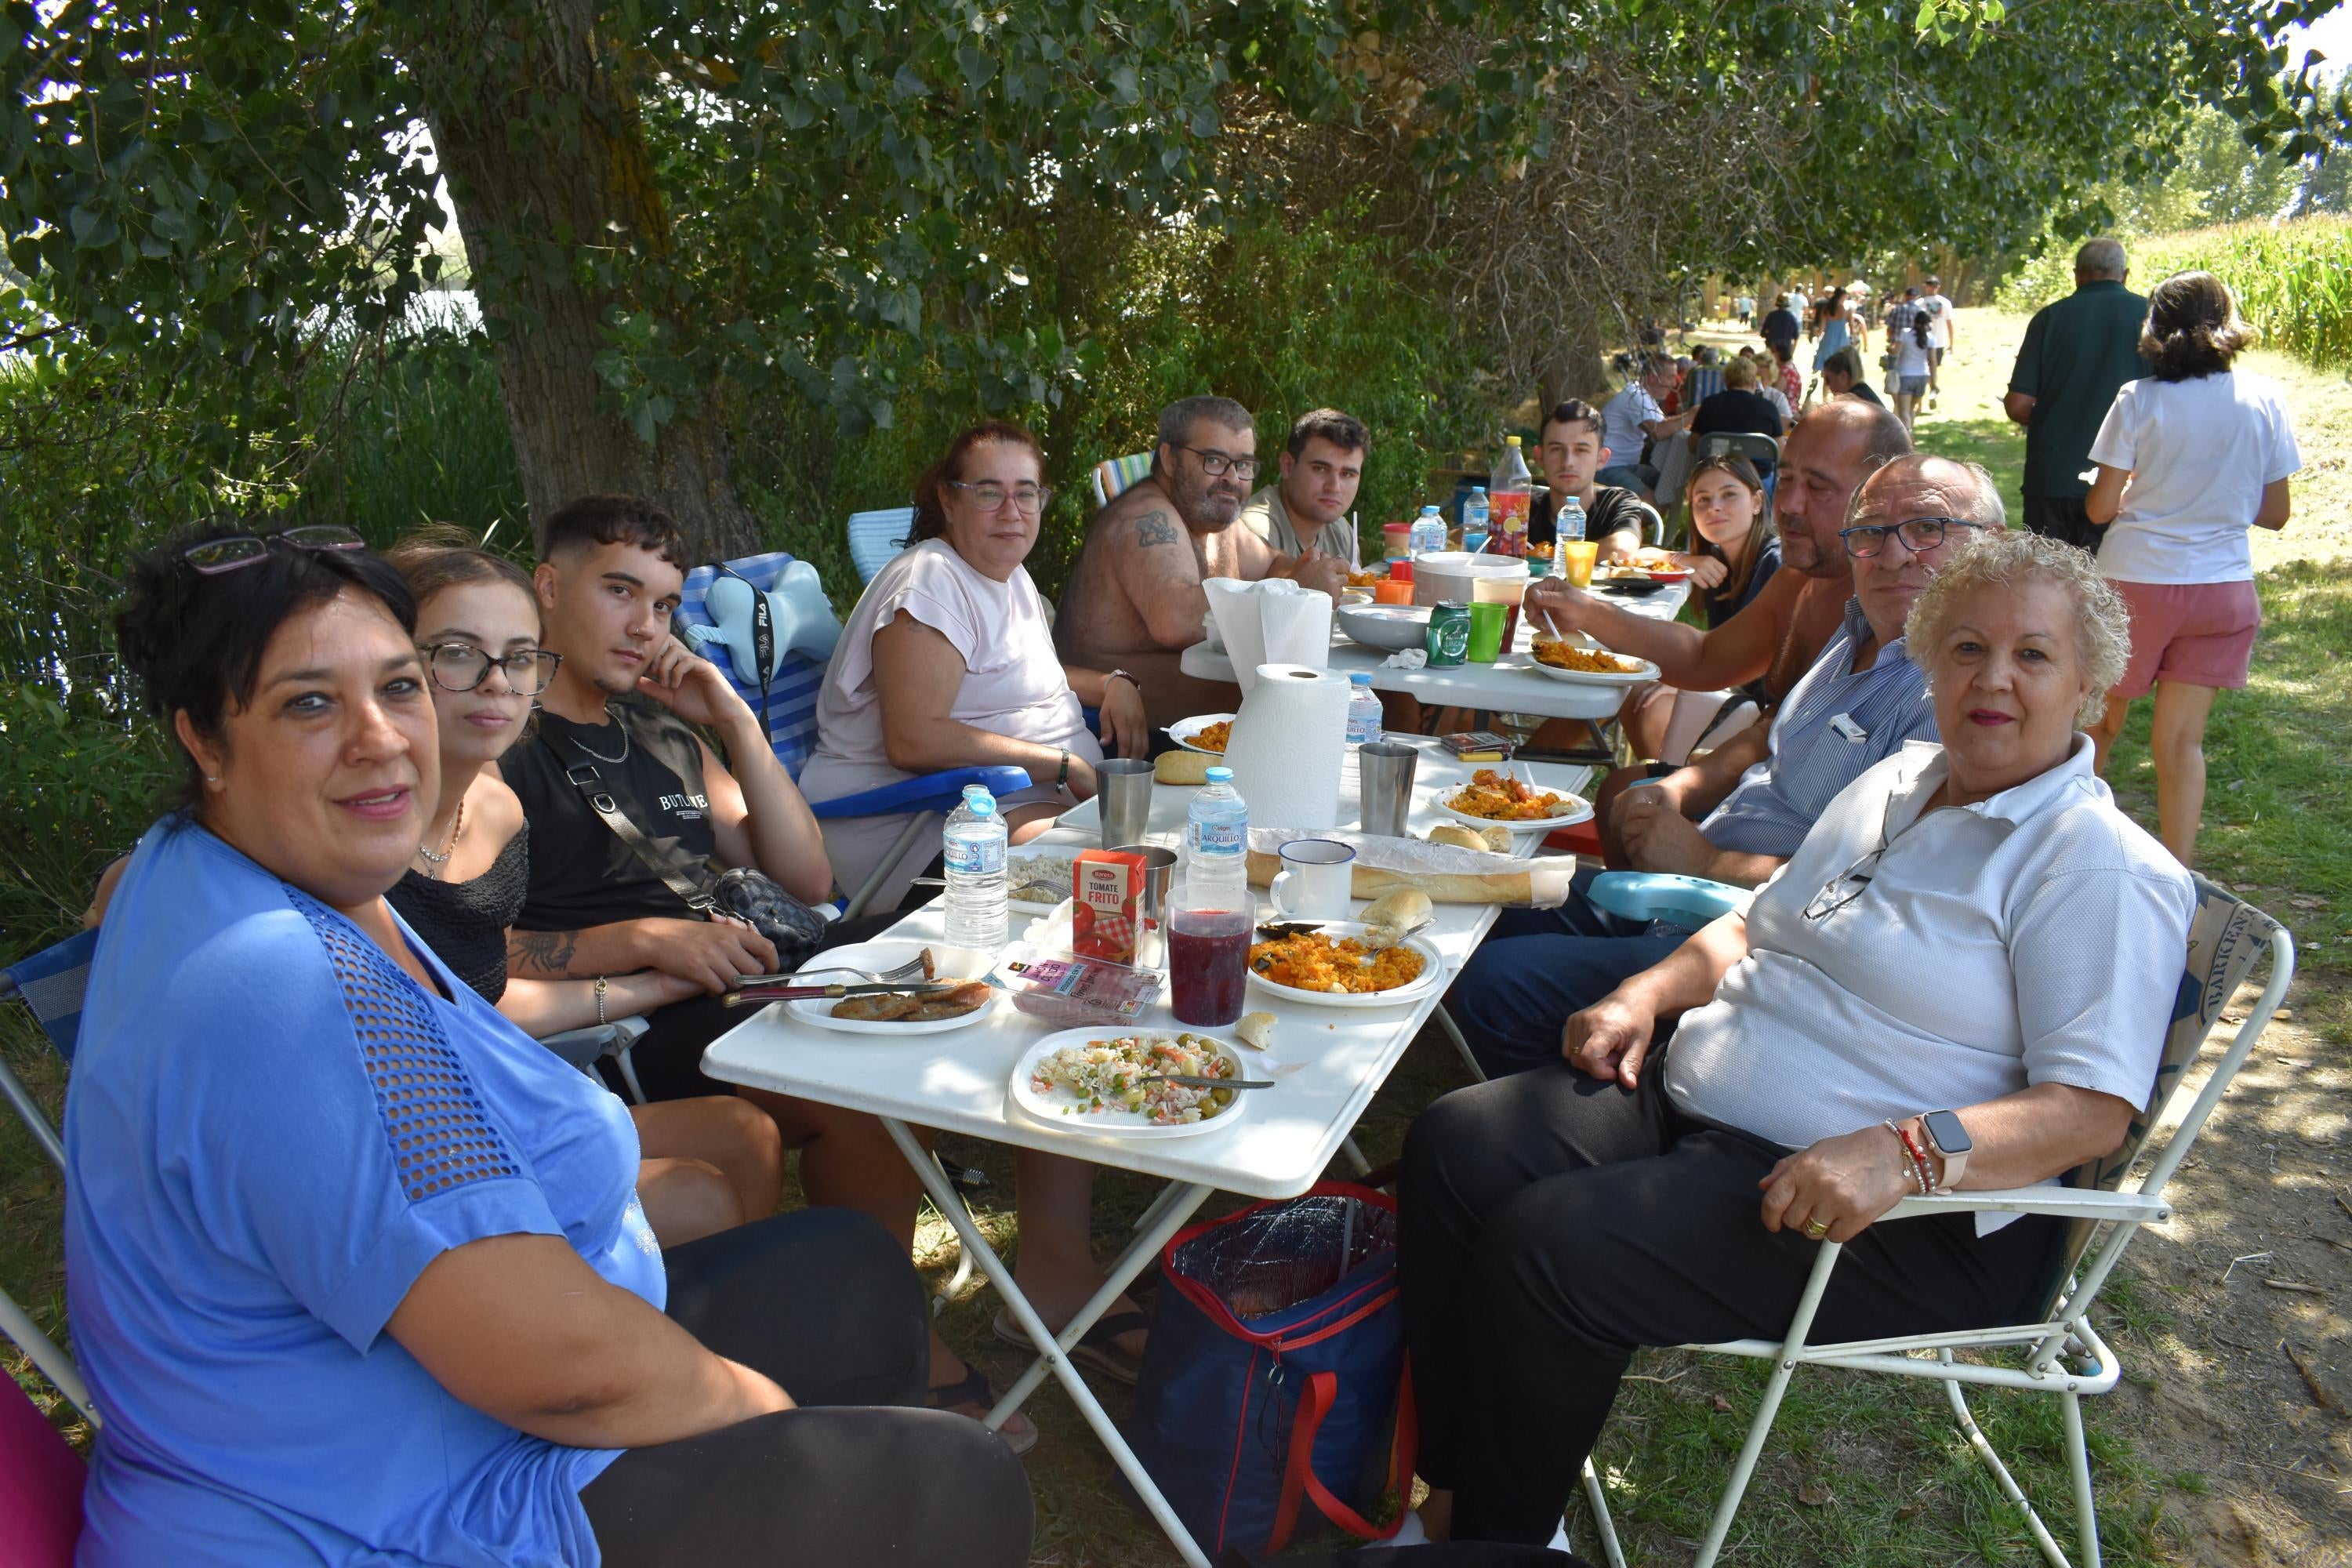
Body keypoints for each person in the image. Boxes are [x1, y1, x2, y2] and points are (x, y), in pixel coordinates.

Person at [68, 521, 1034, 1567]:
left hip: (438, 1400)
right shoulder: (283, 983)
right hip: (385, 1507)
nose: (380, 737)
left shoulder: (239, 871)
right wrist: (763, 1419)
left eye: (396, 688)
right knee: (948, 1487)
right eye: (310, 702)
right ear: (202, 740)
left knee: (855, 1277)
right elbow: (561, 1368)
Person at [1398, 528, 2190, 1548]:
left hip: (1891, 1213)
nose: (1995, 678)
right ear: (1931, 657)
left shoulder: (2093, 864)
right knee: (1459, 1146)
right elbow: (1747, 924)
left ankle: (1497, 1547)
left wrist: (1907, 1151)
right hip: (1705, 1103)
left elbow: (2093, 1112)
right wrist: (1644, 994)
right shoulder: (1897, 780)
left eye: (2033, 655)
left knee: (1553, 1247)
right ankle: (1459, 1503)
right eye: (1966, 647)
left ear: (2088, 685)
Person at [498, 494, 1051, 1445]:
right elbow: (463, 955)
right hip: (633, 1023)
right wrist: (643, 938)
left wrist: (729, 720)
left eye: (666, 604)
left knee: (963, 967)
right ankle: (885, 1345)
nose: (646, 625)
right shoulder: (501, 748)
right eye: (619, 590)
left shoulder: (661, 730)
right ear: (549, 587)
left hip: (742, 966)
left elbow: (804, 871)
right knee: (855, 1071)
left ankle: (889, 1314)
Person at [1451, 453, 1999, 1077]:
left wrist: (1706, 863)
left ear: (1995, 548)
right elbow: (1774, 734)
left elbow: (1883, 901)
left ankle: (1604, 1113)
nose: (1897, 553)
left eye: (1929, 528)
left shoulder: (1960, 700)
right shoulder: (1857, 628)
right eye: (1872, 531)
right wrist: (1681, 789)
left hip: (1759, 947)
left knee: (1498, 983)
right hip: (1682, 895)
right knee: (1488, 900)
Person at [384, 535, 785, 1247]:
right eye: (455, 652)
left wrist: (650, 985)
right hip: (419, 1137)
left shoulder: (493, 810)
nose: (496, 682)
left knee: (743, 1134)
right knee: (702, 1194)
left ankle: (723, 1325)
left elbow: (482, 1000)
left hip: (508, 1082)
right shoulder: (363, 827)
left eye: (517, 658)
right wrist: (638, 952)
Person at [804, 421, 1148, 909]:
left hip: (1010, 804)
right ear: (949, 501)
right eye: (989, 493)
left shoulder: (1005, 573)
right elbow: (913, 739)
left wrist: (1113, 684)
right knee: (1116, 883)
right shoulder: (930, 585)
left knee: (1163, 855)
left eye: (1025, 494)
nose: (1012, 512)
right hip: (917, 824)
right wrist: (1061, 763)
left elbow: (1010, 675)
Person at [2082, 271, 2299, 866]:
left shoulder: (2138, 400)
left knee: (2097, 728)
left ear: (2155, 327)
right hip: (2223, 591)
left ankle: (2068, 846)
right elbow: (2276, 514)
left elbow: (2100, 507)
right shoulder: (2264, 398)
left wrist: (2144, 498)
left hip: (2136, 584)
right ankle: (2177, 875)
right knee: (2181, 744)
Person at [1053, 395, 1349, 732]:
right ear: (1169, 459)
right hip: (1108, 727)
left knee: (1349, 692)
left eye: (1243, 465)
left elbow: (1272, 564)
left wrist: (1301, 569)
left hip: (1197, 718)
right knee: (1310, 701)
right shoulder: (1145, 519)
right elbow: (1177, 619)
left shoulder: (1214, 519)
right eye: (1213, 460)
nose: (1232, 479)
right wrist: (1296, 588)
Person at [1615, 455, 1784, 760]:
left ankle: (1668, 787)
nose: (1714, 507)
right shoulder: (1717, 562)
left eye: (1729, 494)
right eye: (1702, 500)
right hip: (1731, 686)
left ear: (1757, 502)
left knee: (1649, 702)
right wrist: (1684, 560)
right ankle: (1658, 780)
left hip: (1769, 711)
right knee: (1634, 691)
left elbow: (1762, 668)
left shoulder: (1774, 562)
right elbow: (1639, 554)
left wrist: (1687, 682)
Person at [2005, 238, 2150, 553]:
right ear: (2124, 274)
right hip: (2129, 479)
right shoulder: (2152, 318)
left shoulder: (2049, 318)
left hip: (2052, 476)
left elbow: (2018, 405)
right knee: (2116, 592)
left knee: (2047, 587)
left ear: (2077, 274)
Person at [1527, 398, 1658, 561]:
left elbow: (1622, 548)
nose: (1568, 462)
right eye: (1556, 449)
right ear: (1540, 456)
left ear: (1602, 458)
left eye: (1581, 450)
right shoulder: (1523, 509)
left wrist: (1550, 556)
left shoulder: (1617, 502)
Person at [1238, 407, 1368, 564]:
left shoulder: (1341, 532)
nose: (1334, 487)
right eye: (1320, 469)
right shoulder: (1254, 534)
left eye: (1347, 474)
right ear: (1287, 466)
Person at [1597, 354, 1692, 501]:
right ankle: (1635, 520)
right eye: (1670, 377)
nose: (1675, 384)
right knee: (1651, 503)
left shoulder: (1644, 396)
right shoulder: (1635, 396)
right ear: (1653, 377)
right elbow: (1658, 432)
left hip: (1629, 466)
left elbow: (1664, 424)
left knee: (1672, 483)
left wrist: (1683, 417)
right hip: (1608, 467)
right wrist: (1693, 414)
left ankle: (1649, 520)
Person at [1688, 354, 1784, 451]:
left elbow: (1693, 446)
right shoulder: (1769, 408)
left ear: (1726, 381)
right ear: (1753, 382)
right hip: (1757, 466)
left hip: (1716, 464)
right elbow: (1779, 451)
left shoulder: (1709, 404)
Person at [1890, 292, 1935, 434]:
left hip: (1905, 375)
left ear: (1915, 321)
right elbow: (1932, 361)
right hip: (1922, 376)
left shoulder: (1905, 333)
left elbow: (1895, 352)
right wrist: (1934, 382)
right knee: (1911, 409)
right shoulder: (1930, 339)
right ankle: (1910, 433)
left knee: (1903, 411)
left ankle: (1907, 435)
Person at [1920, 273, 1958, 404]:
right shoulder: (1945, 303)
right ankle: (1933, 388)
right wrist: (1952, 343)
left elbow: (1950, 324)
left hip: (1925, 341)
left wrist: (1952, 343)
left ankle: (1931, 389)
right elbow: (1950, 324)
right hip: (1937, 342)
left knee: (1927, 368)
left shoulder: (1920, 304)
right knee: (1933, 367)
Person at [1819, 345, 1883, 406]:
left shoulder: (1853, 402)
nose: (1827, 385)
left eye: (1828, 380)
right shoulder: (1863, 393)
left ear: (1843, 376)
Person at [1810, 285, 1855, 373]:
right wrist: (1852, 339)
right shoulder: (1847, 310)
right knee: (1840, 370)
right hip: (1842, 341)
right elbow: (1852, 329)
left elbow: (1821, 329)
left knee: (1826, 372)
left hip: (1828, 341)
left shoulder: (1826, 309)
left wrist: (1816, 334)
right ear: (1843, 296)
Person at [1762, 292, 1801, 361]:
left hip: (1771, 350)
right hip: (1785, 352)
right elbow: (1796, 338)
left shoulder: (1771, 315)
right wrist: (1791, 353)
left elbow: (1763, 333)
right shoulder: (1792, 317)